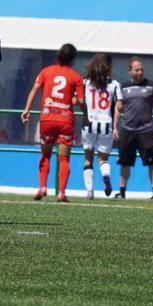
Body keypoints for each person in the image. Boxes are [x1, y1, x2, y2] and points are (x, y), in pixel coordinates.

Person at [21, 43, 85, 203]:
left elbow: (34, 89)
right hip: (65, 120)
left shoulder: (46, 71)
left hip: (48, 118)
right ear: (73, 59)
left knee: (45, 154)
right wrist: (86, 115)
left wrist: (26, 109)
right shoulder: (76, 76)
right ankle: (62, 192)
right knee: (64, 159)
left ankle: (42, 187)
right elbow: (82, 100)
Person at [115, 57, 153, 199]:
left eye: (141, 69)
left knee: (151, 162)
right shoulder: (123, 87)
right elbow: (118, 107)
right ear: (130, 71)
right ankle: (122, 192)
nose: (140, 72)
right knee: (125, 162)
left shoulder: (151, 86)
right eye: (136, 70)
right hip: (127, 129)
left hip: (145, 130)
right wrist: (115, 127)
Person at [80, 53, 121, 199]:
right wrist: (115, 126)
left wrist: (85, 113)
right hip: (107, 124)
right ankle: (106, 176)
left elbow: (77, 100)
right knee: (103, 159)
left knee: (88, 159)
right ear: (109, 67)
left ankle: (90, 191)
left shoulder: (85, 82)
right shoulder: (115, 84)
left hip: (89, 123)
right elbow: (120, 106)